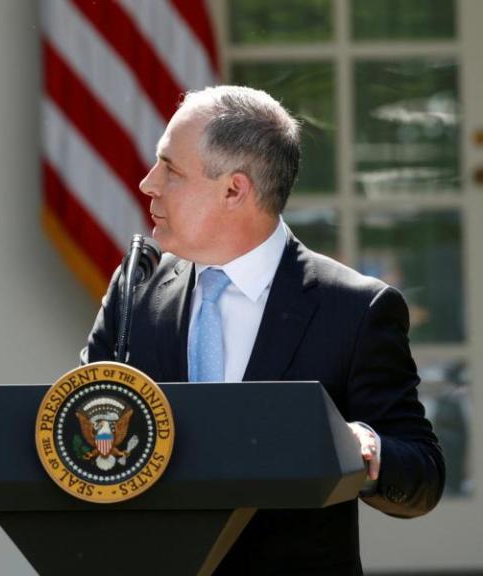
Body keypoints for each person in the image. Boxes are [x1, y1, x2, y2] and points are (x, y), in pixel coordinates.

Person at [82, 85, 444, 574]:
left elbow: (422, 472)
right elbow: (82, 431)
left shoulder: (355, 309)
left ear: (235, 189)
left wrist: (365, 448)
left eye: (171, 169)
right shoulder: (135, 290)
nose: (149, 183)